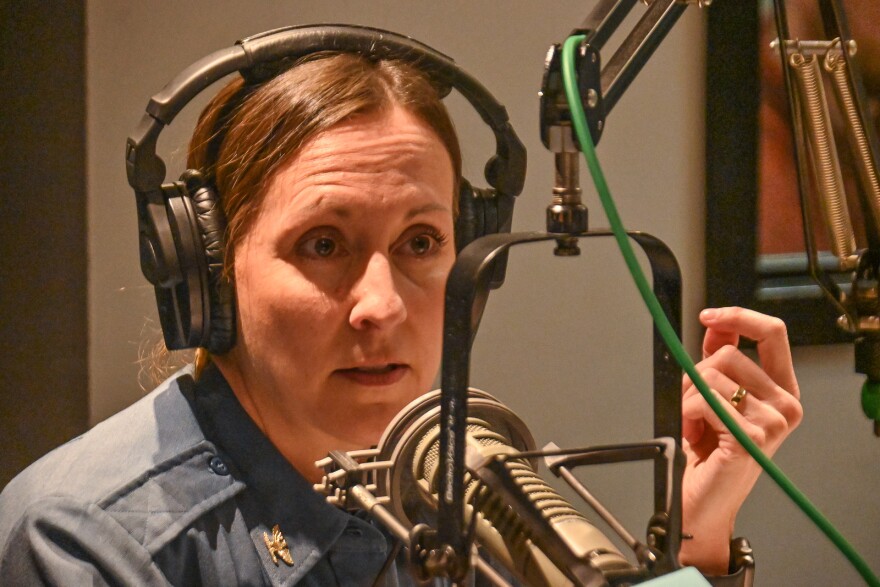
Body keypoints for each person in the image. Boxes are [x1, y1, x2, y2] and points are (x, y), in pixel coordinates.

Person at [0, 39, 802, 585]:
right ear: (208, 276)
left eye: (422, 241)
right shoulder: (84, 542)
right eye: (322, 244)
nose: (380, 305)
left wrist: (695, 530)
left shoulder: (456, 478)